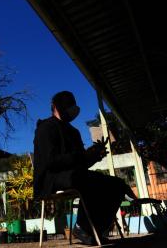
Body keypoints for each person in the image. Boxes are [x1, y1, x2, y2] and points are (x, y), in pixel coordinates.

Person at [33, 91, 137, 245]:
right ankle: (82, 227)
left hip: (74, 174)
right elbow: (50, 162)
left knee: (116, 184)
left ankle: (95, 229)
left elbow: (80, 163)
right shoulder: (46, 128)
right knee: (84, 178)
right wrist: (81, 156)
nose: (69, 111)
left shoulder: (73, 132)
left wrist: (94, 155)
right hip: (52, 178)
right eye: (66, 107)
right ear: (54, 107)